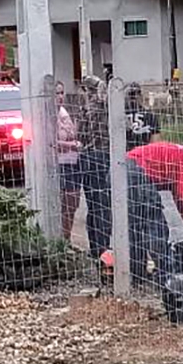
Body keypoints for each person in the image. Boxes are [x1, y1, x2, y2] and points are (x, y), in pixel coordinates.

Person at [125, 135, 183, 280]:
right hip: (136, 172)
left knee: (136, 226)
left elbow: (179, 197)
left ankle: (137, 275)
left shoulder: (181, 152)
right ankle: (168, 276)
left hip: (124, 167)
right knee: (155, 226)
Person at [76, 75, 111, 259]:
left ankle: (95, 246)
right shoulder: (106, 108)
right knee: (103, 204)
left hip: (88, 157)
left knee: (93, 205)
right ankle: (104, 247)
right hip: (103, 156)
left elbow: (79, 135)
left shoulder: (85, 110)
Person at [55, 81, 82, 239]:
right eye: (56, 93)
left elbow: (72, 133)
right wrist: (71, 144)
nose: (60, 96)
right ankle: (60, 239)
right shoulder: (50, 115)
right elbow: (50, 142)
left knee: (72, 204)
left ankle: (67, 238)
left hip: (73, 162)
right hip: (60, 163)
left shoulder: (64, 113)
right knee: (62, 204)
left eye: (61, 92)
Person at [124, 82, 161, 150]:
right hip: (143, 154)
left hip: (123, 155)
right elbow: (155, 142)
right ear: (140, 95)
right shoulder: (150, 114)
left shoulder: (119, 116)